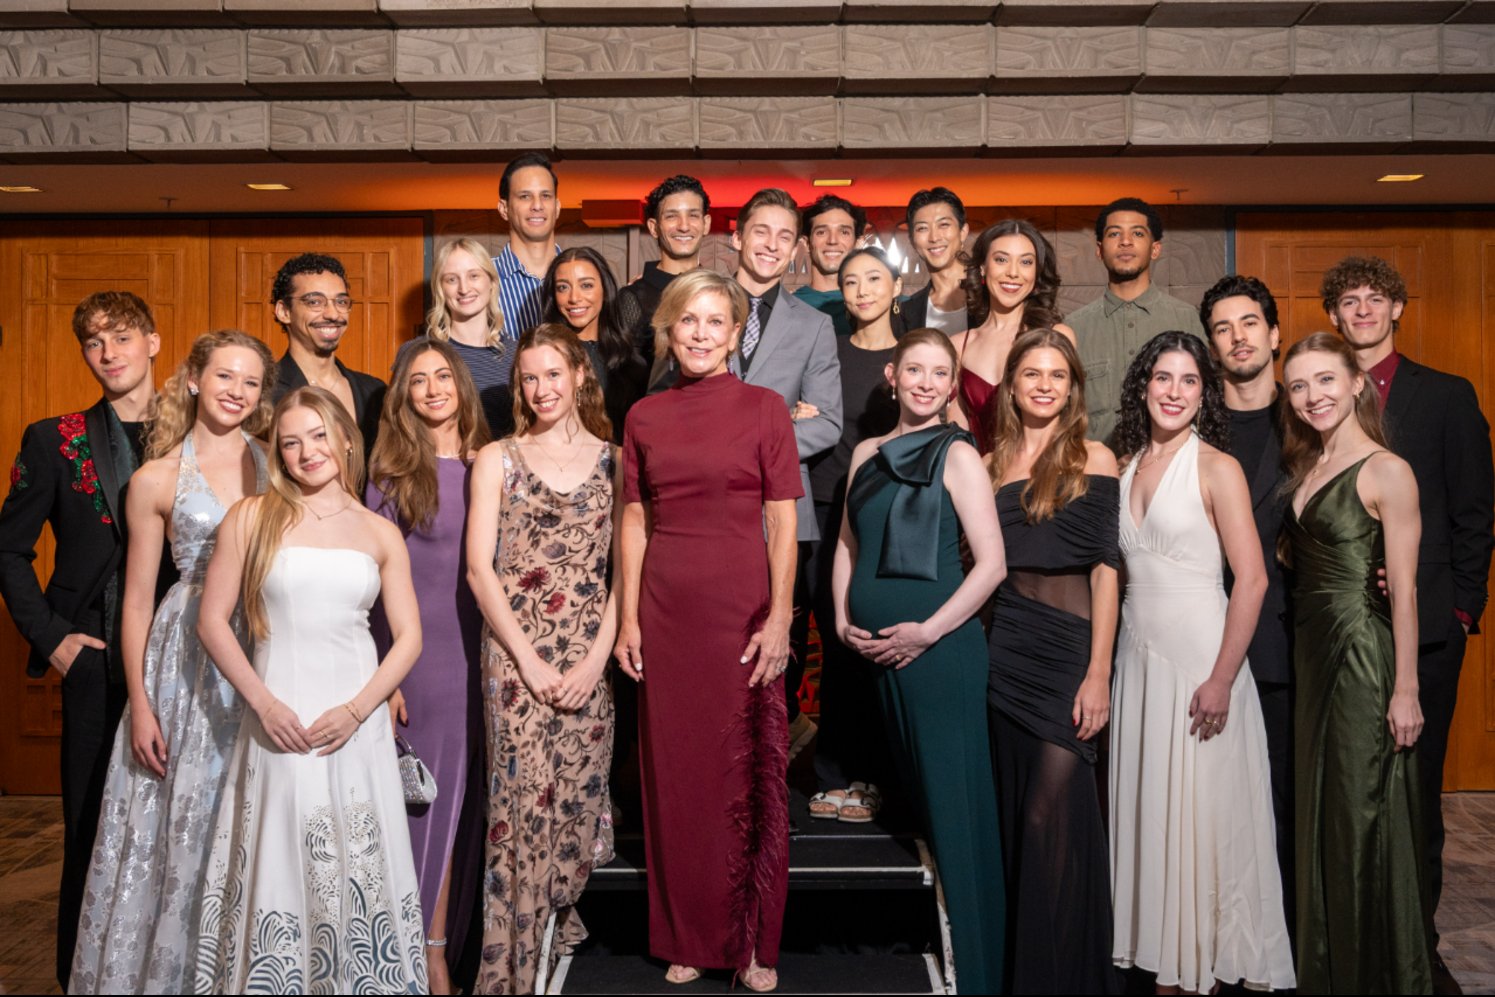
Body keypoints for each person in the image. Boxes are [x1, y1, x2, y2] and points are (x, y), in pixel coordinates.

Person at [194, 387, 427, 993]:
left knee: (357, 861)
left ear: (346, 439)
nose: (307, 452)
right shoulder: (251, 517)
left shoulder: (380, 531)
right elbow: (212, 622)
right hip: (280, 719)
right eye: (291, 442)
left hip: (357, 723)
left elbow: (408, 639)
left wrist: (358, 711)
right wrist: (264, 705)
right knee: (283, 856)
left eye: (319, 435)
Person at [69, 331, 273, 996]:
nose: (236, 391)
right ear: (193, 379)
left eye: (250, 381)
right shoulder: (155, 478)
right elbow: (134, 602)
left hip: (264, 643)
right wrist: (141, 703)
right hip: (183, 661)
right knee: (182, 822)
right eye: (224, 376)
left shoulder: (278, 463)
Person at [614, 270, 801, 993]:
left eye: (714, 321)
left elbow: (782, 519)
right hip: (666, 613)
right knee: (676, 776)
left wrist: (780, 616)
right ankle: (684, 934)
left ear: (734, 334)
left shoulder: (764, 409)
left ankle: (752, 942)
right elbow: (635, 521)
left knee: (745, 774)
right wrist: (628, 618)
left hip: (742, 610)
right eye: (687, 320)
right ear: (668, 329)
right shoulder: (644, 416)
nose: (699, 333)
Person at [1321, 255, 1494, 991]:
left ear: (1396, 308)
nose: (1362, 309)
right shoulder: (1320, 394)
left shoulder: (1446, 395)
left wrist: (1458, 607)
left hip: (1427, 631)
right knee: (1352, 788)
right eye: (1348, 300)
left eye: (1375, 298)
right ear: (1333, 316)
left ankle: (1417, 947)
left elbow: (1475, 510)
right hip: (1342, 628)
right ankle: (1353, 940)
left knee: (1416, 789)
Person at [1109, 331, 1294, 994]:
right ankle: (1164, 962)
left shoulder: (1217, 467)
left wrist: (1220, 677)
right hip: (1137, 663)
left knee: (1201, 820)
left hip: (1200, 664)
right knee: (1156, 817)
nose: (1174, 391)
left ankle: (1198, 970)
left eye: (1189, 380)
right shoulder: (1123, 463)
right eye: (1163, 377)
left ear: (1203, 393)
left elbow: (1252, 580)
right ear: (1142, 385)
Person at [831, 329, 1007, 992]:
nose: (926, 383)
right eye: (915, 370)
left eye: (939, 373)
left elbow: (992, 565)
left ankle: (982, 975)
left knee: (955, 814)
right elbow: (847, 545)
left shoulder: (958, 454)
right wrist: (841, 615)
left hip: (940, 654)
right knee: (923, 811)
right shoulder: (865, 453)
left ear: (952, 383)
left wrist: (927, 632)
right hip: (879, 653)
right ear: (892, 375)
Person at [0, 291, 160, 990]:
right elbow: (8, 550)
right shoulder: (52, 438)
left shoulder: (203, 431)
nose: (108, 353)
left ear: (153, 342)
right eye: (93, 342)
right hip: (93, 656)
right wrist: (53, 637)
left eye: (121, 337)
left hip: (186, 657)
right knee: (91, 827)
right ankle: (80, 976)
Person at [465, 324, 620, 995]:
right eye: (528, 377)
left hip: (588, 658)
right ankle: (510, 975)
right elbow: (479, 570)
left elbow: (626, 573)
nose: (540, 388)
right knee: (519, 815)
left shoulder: (617, 460)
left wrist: (595, 661)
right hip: (514, 658)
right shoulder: (497, 458)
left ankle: (556, 938)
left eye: (552, 374)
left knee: (577, 803)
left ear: (580, 374)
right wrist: (526, 662)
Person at [1279, 332, 1428, 994]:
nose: (1312, 395)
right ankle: (1326, 967)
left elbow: (1405, 590)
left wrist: (1405, 688)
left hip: (1362, 657)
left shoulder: (1386, 470)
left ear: (1356, 383)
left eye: (1324, 380)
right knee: (1323, 814)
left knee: (1358, 814)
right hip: (1312, 655)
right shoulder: (1307, 464)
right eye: (1298, 385)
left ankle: (1370, 975)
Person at [985, 328, 1120, 994]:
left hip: (1069, 652)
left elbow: (1105, 570)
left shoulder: (1093, 457)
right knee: (1017, 821)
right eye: (1032, 374)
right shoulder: (989, 463)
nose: (1044, 385)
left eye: (1057, 376)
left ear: (1072, 391)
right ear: (1011, 385)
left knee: (1048, 818)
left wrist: (1098, 671)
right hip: (1004, 650)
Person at [367, 339, 491, 994]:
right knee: (430, 806)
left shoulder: (492, 462)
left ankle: (455, 947)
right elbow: (371, 588)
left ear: (461, 384)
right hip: (424, 664)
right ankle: (423, 956)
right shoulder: (391, 476)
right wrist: (383, 678)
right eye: (419, 380)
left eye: (444, 375)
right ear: (404, 396)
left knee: (473, 806)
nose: (434, 388)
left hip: (489, 659)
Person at [731, 187, 844, 763]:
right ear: (736, 236)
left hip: (781, 518)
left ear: (796, 248)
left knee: (779, 655)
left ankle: (770, 780)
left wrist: (745, 448)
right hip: (706, 515)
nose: (771, 245)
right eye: (761, 231)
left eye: (784, 236)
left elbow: (827, 423)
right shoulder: (697, 302)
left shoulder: (813, 325)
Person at [1202, 274, 1295, 912]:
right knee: (1214, 807)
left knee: (1283, 802)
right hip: (1203, 644)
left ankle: (1282, 943)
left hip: (1289, 646)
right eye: (1223, 328)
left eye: (1250, 323)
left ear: (1274, 333)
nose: (1238, 337)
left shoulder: (1313, 415)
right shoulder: (1191, 424)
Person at [805, 247, 903, 823]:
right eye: (850, 282)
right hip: (825, 505)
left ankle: (874, 775)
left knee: (874, 639)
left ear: (896, 287)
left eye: (874, 279)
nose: (862, 290)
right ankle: (833, 774)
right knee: (835, 637)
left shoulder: (911, 353)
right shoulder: (829, 348)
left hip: (887, 513)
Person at [1069, 197, 1206, 447]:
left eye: (1138, 233)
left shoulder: (1188, 320)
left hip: (1172, 463)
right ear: (1099, 250)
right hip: (1091, 466)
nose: (1125, 241)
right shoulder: (1074, 328)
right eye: (1114, 234)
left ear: (1155, 249)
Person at [950, 219, 1073, 452]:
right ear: (983, 267)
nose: (1013, 273)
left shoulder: (1056, 336)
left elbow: (1068, 423)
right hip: (976, 471)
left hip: (1043, 469)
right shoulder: (958, 346)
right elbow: (957, 438)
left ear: (1037, 272)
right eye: (1001, 259)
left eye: (1026, 262)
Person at [268, 252, 387, 457]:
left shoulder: (375, 391)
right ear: (284, 311)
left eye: (341, 302)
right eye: (315, 302)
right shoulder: (265, 393)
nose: (332, 314)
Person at [540, 245, 648, 441]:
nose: (574, 298)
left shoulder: (630, 360)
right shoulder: (545, 357)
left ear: (605, 290)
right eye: (563, 287)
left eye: (586, 285)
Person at [421, 236, 513, 437]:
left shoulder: (517, 354)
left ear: (491, 282)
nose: (464, 289)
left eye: (474, 276)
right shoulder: (420, 355)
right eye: (452, 279)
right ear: (440, 288)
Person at [623, 174, 711, 375]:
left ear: (706, 224)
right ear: (654, 228)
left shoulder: (718, 293)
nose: (684, 226)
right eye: (672, 216)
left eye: (693, 215)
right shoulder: (632, 298)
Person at [493, 152, 562, 341]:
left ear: (557, 207)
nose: (537, 205)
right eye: (525, 196)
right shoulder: (480, 280)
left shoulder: (584, 278)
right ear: (504, 209)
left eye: (545, 196)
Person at [794, 193, 868, 337]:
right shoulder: (787, 307)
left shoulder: (878, 304)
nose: (832, 240)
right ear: (806, 243)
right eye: (821, 232)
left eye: (844, 232)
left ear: (858, 243)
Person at [901, 187, 972, 335]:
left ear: (963, 232)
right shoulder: (908, 311)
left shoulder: (991, 294)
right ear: (912, 240)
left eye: (944, 225)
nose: (934, 237)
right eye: (922, 228)